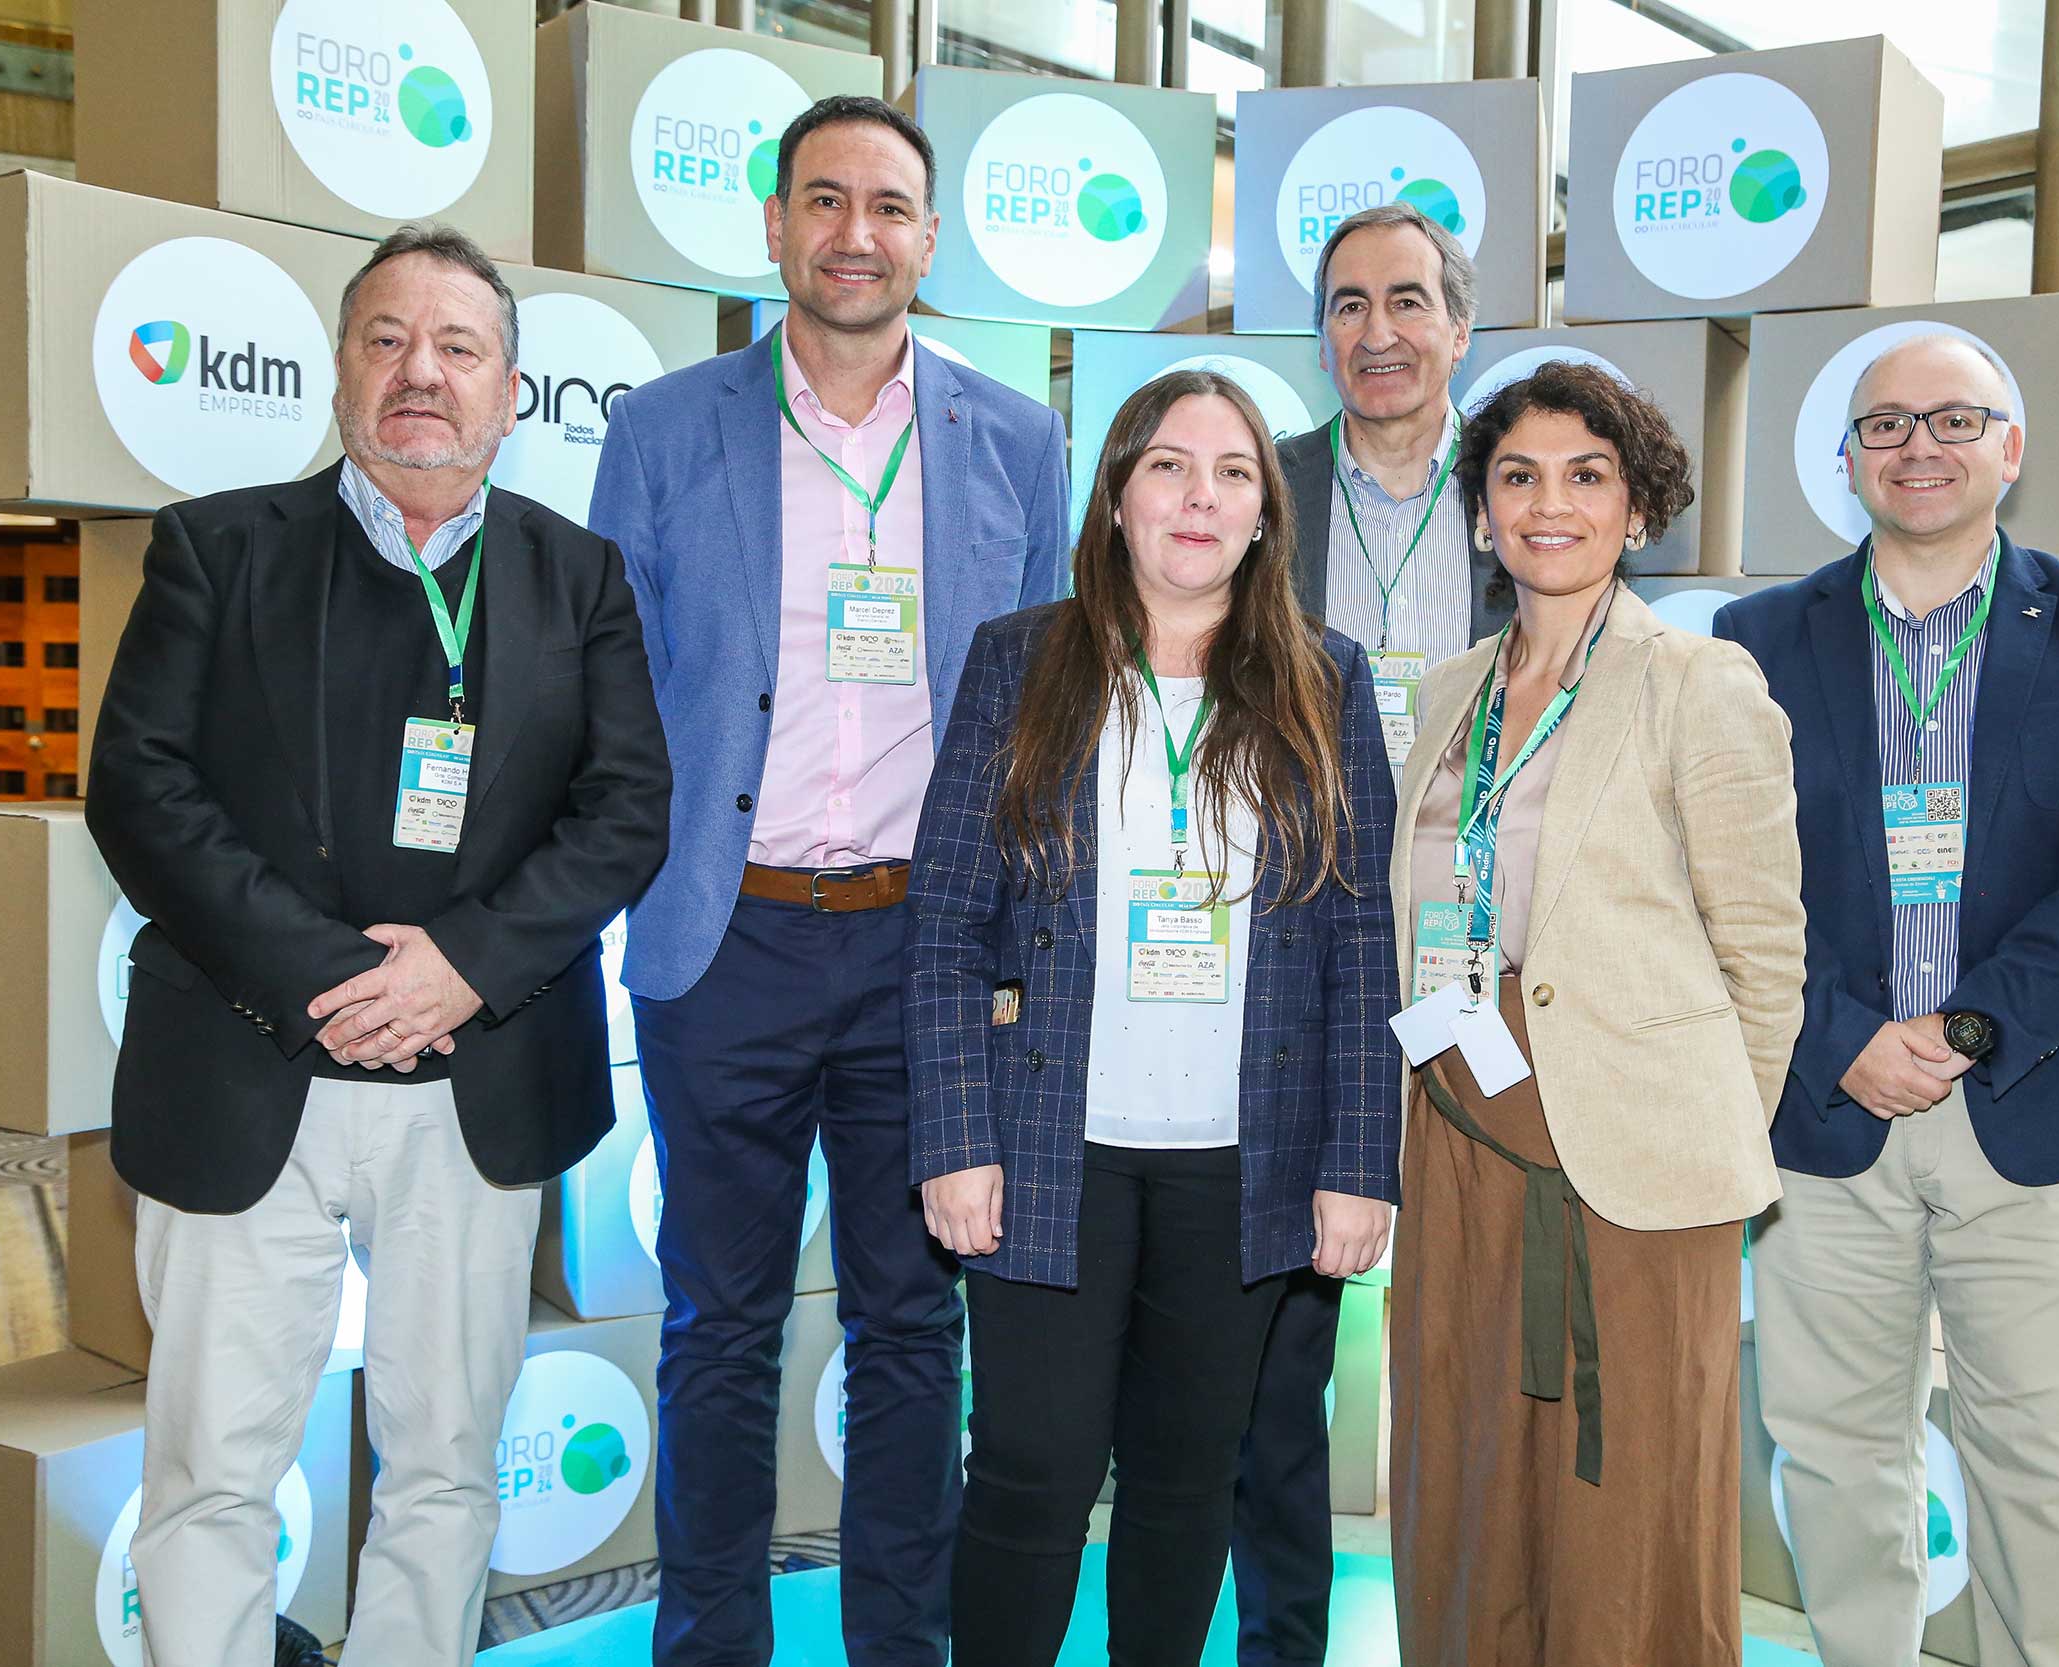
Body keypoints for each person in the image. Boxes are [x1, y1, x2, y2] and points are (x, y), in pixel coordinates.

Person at [85, 224, 671, 1667]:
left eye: (459, 347)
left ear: (511, 394)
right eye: (388, 339)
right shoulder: (218, 548)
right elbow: (140, 790)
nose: (422, 372)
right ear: (341, 370)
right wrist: (335, 980)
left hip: (477, 1083)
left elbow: (625, 813)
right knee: (212, 1470)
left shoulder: (577, 575)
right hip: (247, 1071)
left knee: (449, 1467)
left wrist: (460, 966)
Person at [585, 93, 1071, 1667]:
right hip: (725, 939)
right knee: (716, 1331)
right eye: (823, 200)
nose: (855, 234)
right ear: (775, 226)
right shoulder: (666, 430)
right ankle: (709, 1647)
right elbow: (613, 689)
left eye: (887, 206)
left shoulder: (1016, 438)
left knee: (912, 1331)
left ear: (931, 239)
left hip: (925, 951)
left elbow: (1046, 714)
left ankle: (901, 1651)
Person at [904, 369, 1402, 1667]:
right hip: (1043, 1146)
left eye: (1233, 472)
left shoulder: (1326, 682)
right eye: (1169, 465)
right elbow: (946, 919)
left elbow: (1361, 940)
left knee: (1188, 1483)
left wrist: (1358, 1166)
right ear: (1118, 496)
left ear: (1265, 512)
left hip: (1242, 1162)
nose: (1199, 496)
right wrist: (955, 1138)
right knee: (1031, 1472)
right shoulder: (1021, 661)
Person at [1714, 335, 2059, 1667]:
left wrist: (1969, 1028)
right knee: (1834, 1455)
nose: (1919, 445)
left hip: (2038, 1107)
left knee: (2057, 1468)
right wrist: (1844, 1038)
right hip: (1829, 1119)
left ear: (2010, 448)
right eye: (1886, 424)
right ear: (1847, 459)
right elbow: (1731, 877)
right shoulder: (1756, 640)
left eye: (1955, 419)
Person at [1388, 359, 1804, 1666]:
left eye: (1587, 476)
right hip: (1456, 1121)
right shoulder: (1447, 692)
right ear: (1480, 513)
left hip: (1637, 1160)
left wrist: (1705, 1147)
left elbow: (1764, 954)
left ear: (1638, 509)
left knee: (1628, 1493)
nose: (1549, 505)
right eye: (1518, 477)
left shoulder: (1699, 681)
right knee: (1463, 1463)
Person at [1235, 198, 1505, 1667]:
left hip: (1492, 968)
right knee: (1281, 1361)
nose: (1378, 332)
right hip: (1297, 961)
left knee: (1480, 1349)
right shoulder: (1259, 488)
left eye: (1408, 301)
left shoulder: (1532, 478)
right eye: (1347, 304)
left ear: (1459, 327)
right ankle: (1284, 1646)